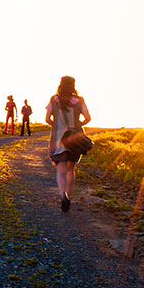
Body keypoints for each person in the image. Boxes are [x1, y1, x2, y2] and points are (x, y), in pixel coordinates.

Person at [45, 76, 90, 213]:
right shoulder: (79, 101)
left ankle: (62, 195)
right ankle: (68, 196)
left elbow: (47, 119)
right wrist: (77, 125)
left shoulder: (54, 99)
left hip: (58, 139)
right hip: (74, 139)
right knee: (71, 169)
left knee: (61, 171)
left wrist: (57, 125)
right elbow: (88, 118)